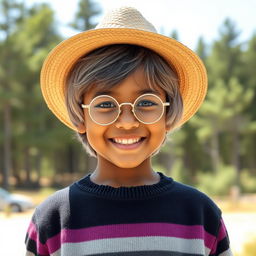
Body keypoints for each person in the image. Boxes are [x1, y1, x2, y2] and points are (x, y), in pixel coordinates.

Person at [25, 6, 233, 256]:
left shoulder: (200, 214)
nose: (126, 122)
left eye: (146, 102)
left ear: (168, 115)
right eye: (104, 104)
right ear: (81, 117)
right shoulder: (53, 218)